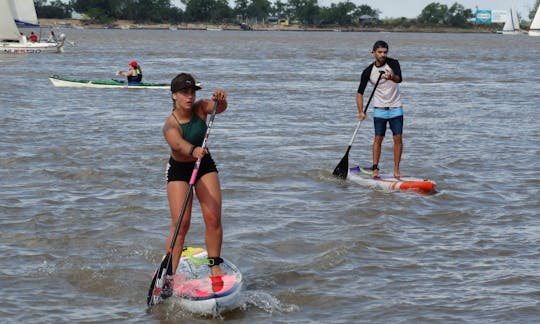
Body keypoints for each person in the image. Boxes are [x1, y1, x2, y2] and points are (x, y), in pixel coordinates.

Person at [161, 73, 228, 296]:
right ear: (174, 96)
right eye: (184, 92)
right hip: (180, 169)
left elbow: (218, 108)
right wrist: (192, 150)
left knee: (212, 217)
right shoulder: (170, 124)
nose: (190, 96)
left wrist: (221, 100)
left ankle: (215, 265)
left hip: (204, 165)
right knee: (182, 224)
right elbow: (177, 143)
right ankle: (169, 273)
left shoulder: (200, 108)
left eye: (192, 92)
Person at [356, 40, 403, 178]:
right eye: (380, 52)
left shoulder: (393, 63)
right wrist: (360, 111)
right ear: (373, 53)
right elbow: (359, 93)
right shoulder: (368, 71)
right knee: (378, 139)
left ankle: (396, 170)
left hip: (396, 107)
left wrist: (391, 77)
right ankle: (375, 168)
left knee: (398, 139)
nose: (383, 55)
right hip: (379, 109)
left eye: (385, 52)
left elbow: (399, 79)